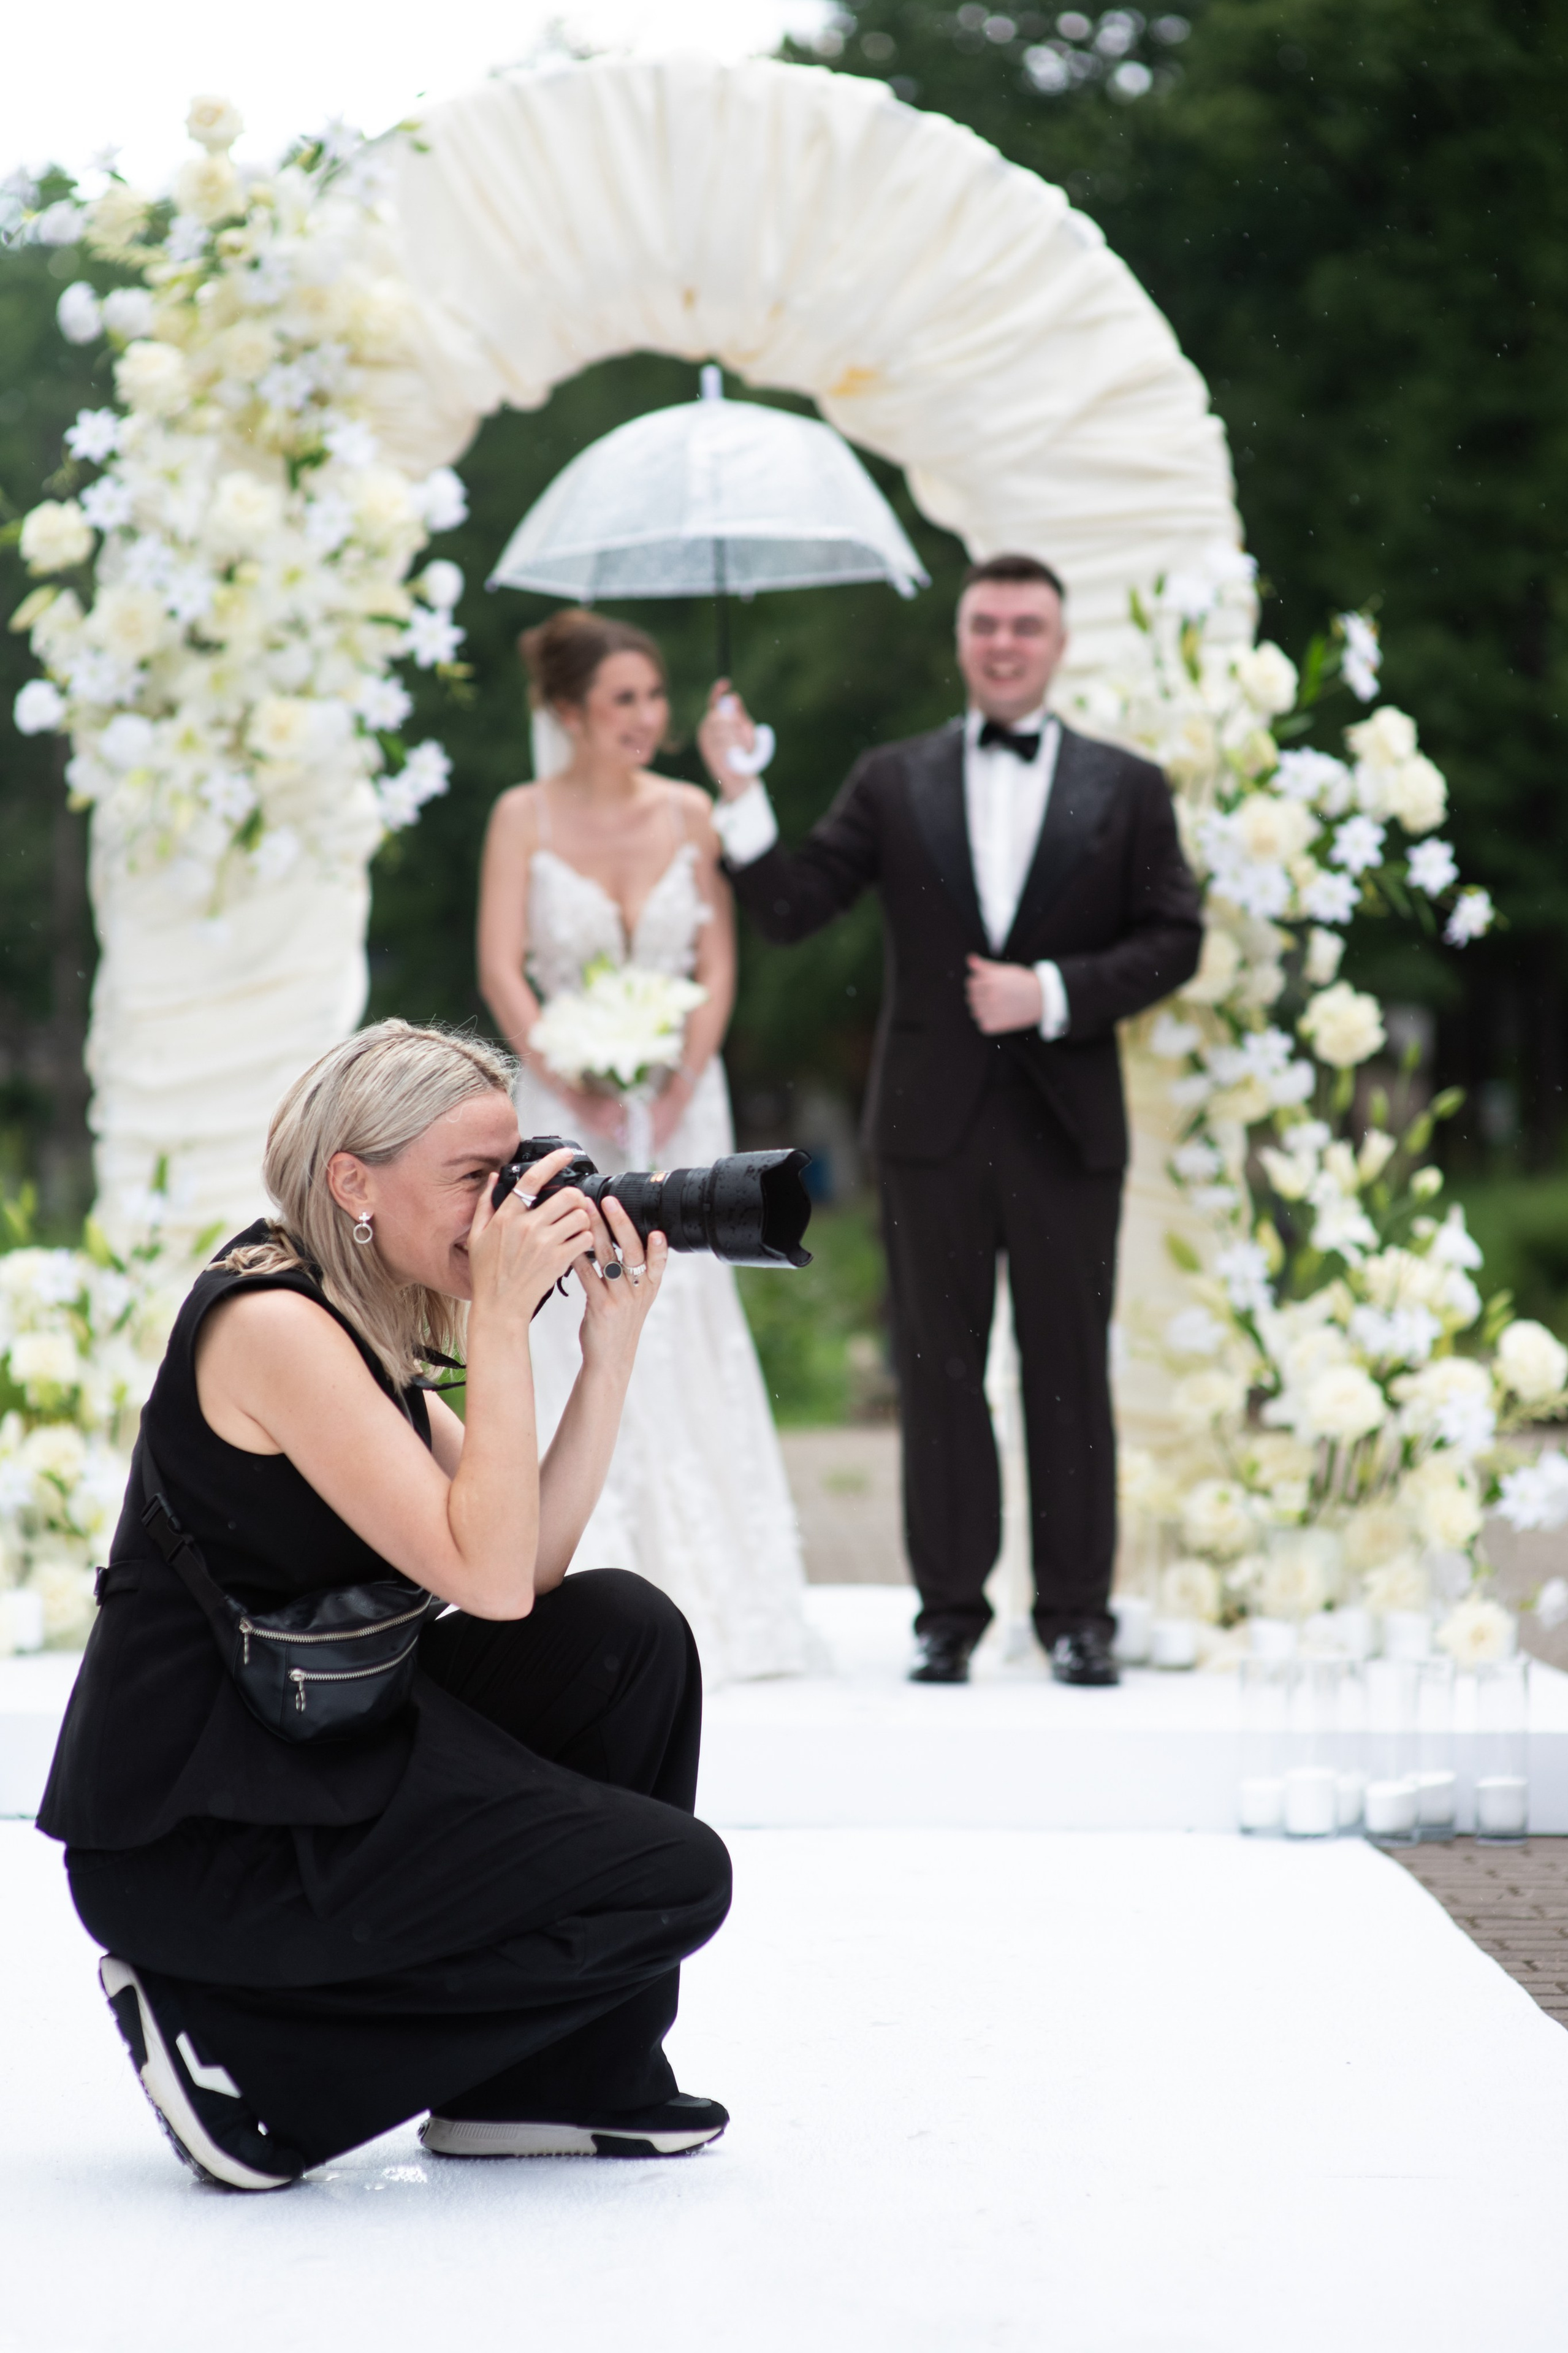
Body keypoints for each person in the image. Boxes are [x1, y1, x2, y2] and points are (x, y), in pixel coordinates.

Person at [37, 1022, 733, 2189]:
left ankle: (542, 2086)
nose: (507, 1204)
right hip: (204, 1834)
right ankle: (254, 2061)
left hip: (311, 1754)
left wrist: (604, 1353)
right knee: (673, 1878)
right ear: (353, 1182)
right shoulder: (273, 1326)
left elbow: (532, 1568)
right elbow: (489, 1575)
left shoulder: (364, 1318)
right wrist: (501, 1323)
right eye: (476, 1178)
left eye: (512, 1170)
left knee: (626, 1636)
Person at [699, 555, 1204, 1687]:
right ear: (962, 639)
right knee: (938, 1366)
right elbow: (789, 904)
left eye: (1027, 624)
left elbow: (1177, 937)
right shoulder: (893, 778)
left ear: (1059, 643)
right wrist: (740, 791)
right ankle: (950, 1612)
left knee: (1069, 1367)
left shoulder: (1127, 787)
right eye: (986, 623)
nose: (1005, 642)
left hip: (1069, 1123)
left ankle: (1076, 1613)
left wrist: (1054, 991)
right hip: (928, 1126)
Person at [478, 608, 812, 1685]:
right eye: (622, 700)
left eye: (654, 698)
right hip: (562, 1092)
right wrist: (561, 1065)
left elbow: (717, 963)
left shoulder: (688, 812)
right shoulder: (519, 815)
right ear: (569, 712)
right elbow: (499, 967)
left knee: (693, 1301)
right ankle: (580, 1552)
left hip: (682, 1097)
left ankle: (722, 1585)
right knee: (575, 1290)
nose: (647, 719)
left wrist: (675, 1082)